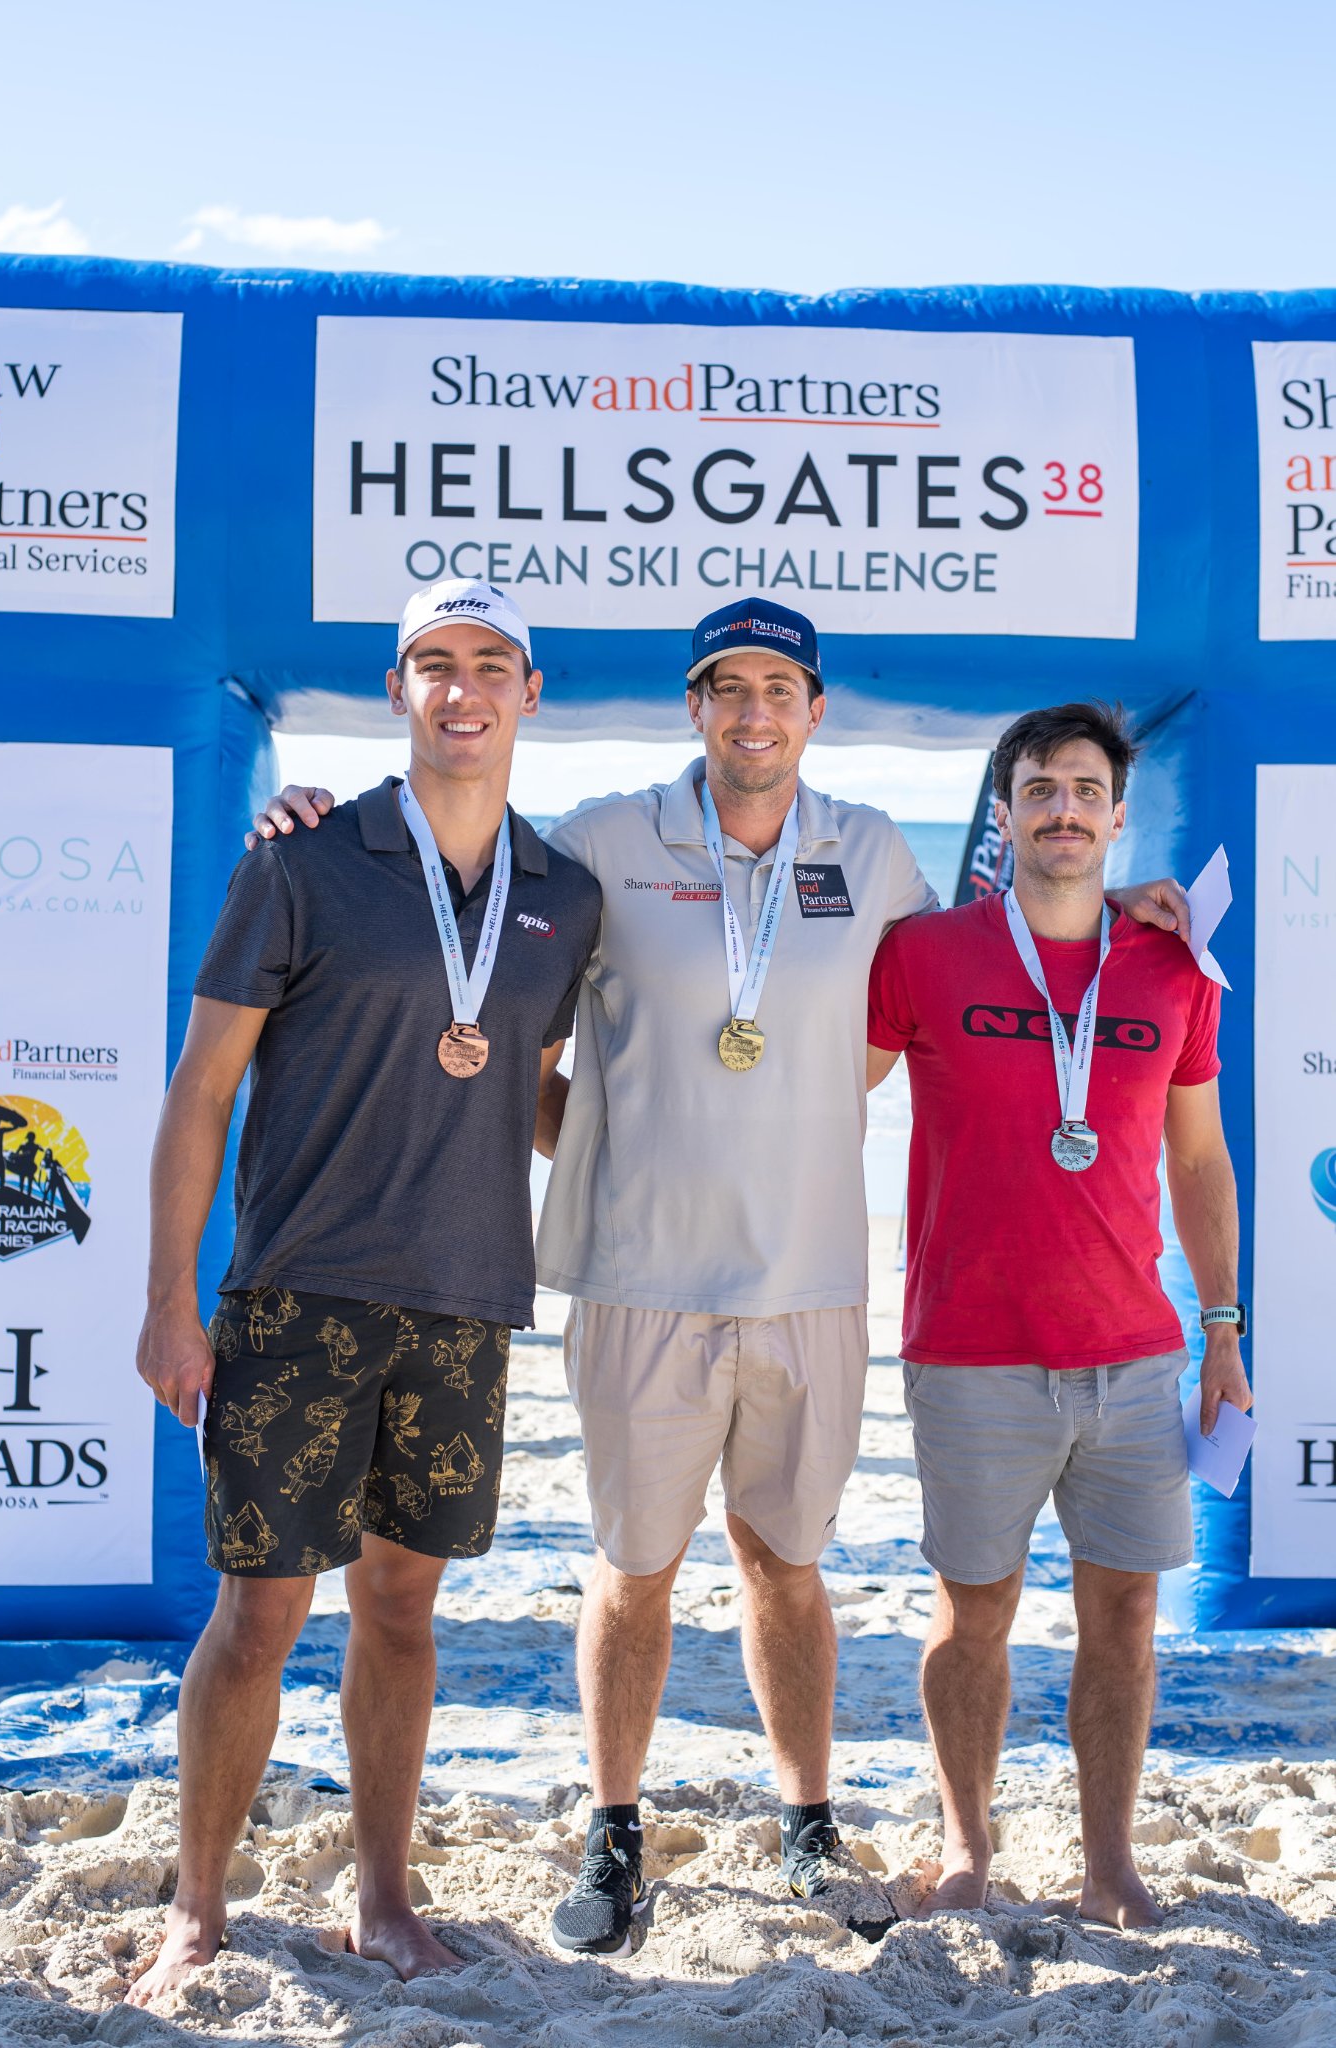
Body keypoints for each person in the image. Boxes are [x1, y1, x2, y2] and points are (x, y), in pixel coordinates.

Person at [254, 604, 1188, 1960]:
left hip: (810, 1283)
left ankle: (807, 1819)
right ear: (693, 706)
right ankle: (614, 1828)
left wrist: (1135, 906)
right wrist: (311, 822)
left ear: (815, 710)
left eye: (780, 689)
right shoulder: (601, 839)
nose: (756, 713)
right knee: (635, 1569)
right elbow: (468, 943)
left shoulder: (873, 851)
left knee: (787, 1566)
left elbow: (993, 959)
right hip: (641, 1282)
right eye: (729, 688)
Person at [127, 580, 600, 2005]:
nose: (463, 689)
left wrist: (693, 1141)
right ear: (398, 689)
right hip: (300, 1296)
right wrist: (169, 1300)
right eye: (434, 664)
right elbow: (201, 1092)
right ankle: (198, 1907)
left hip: (463, 1303)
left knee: (401, 1610)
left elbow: (528, 1094)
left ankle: (385, 1899)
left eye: (491, 664)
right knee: (260, 1614)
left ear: (530, 692)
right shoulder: (305, 860)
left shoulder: (561, 894)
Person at [866, 700, 1251, 1931]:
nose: (1064, 809)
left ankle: (1110, 1862)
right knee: (974, 1610)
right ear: (1006, 811)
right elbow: (816, 1088)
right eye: (1040, 788)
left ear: (1119, 815)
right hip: (970, 1351)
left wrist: (1225, 1329)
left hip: (1133, 1355)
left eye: (1087, 790)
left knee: (1125, 1616)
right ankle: (966, 1845)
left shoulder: (1177, 968)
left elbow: (1200, 1159)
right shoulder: (924, 953)